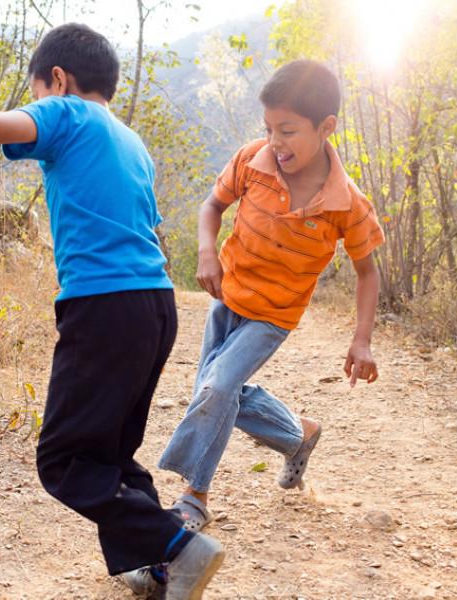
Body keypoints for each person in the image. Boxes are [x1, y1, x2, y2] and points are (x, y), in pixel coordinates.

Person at [0, 22, 224, 599]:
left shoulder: (67, 113)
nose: (37, 104)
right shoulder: (132, 141)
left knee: (64, 459)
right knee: (110, 452)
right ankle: (164, 562)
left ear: (60, 80)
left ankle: (178, 545)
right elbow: (151, 226)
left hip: (103, 306)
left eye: (38, 91)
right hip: (155, 305)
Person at [158, 59, 385, 531]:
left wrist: (361, 340)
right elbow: (212, 205)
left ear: (326, 128)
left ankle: (193, 498)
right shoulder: (251, 160)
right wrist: (206, 251)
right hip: (227, 294)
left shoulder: (348, 204)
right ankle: (298, 434)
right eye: (268, 129)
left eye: (287, 131)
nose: (275, 143)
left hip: (273, 316)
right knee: (221, 391)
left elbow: (367, 272)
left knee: (216, 389)